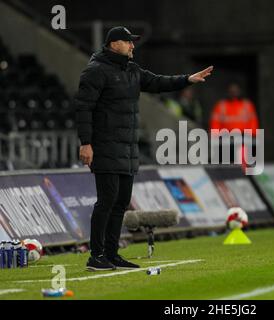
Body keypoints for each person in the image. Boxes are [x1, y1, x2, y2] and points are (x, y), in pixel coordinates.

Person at [74, 26, 213, 271]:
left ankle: (111, 254)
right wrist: (86, 143)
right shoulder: (95, 71)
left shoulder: (132, 70)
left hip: (127, 147)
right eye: (129, 42)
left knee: (121, 202)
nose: (132, 46)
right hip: (105, 145)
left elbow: (158, 82)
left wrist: (187, 79)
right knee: (106, 200)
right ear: (114, 43)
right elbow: (83, 108)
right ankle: (96, 256)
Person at [209, 83, 259, 165]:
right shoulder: (221, 105)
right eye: (232, 91)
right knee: (226, 161)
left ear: (239, 91)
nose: (234, 93)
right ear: (228, 92)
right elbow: (215, 122)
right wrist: (215, 136)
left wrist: (252, 135)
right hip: (226, 137)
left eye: (235, 91)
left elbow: (253, 121)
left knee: (244, 161)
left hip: (243, 138)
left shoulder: (247, 104)